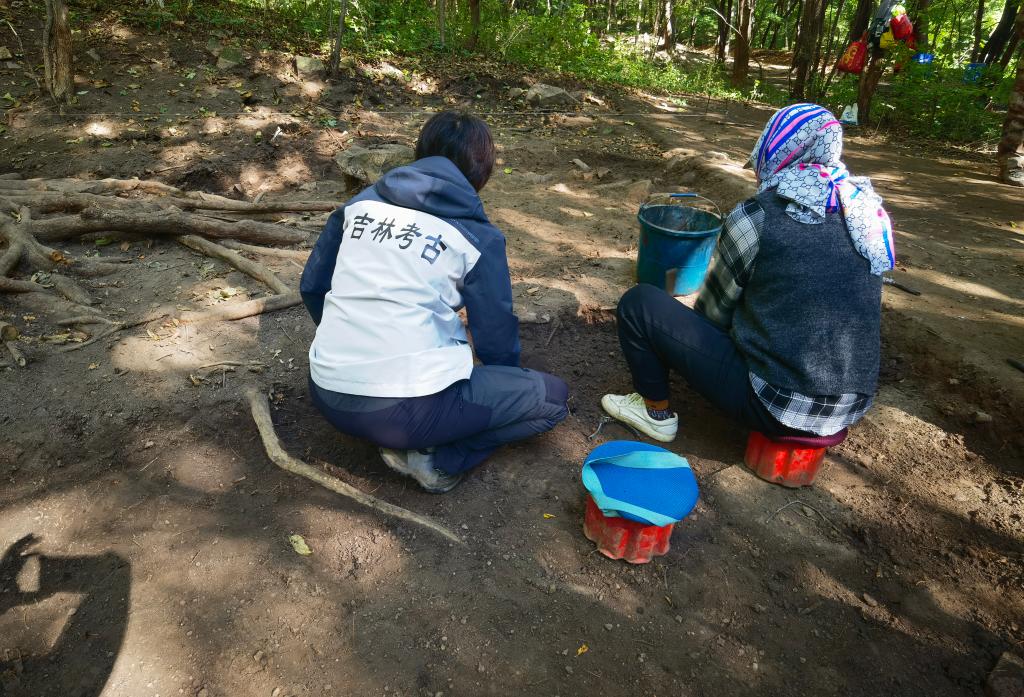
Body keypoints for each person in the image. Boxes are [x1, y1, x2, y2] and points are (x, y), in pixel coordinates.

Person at [300, 111, 569, 493]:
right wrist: (506, 381)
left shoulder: (359, 206)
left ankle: (410, 432)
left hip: (326, 390)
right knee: (552, 399)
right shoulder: (478, 237)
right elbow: (494, 338)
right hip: (403, 413)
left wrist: (349, 337)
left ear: (421, 152)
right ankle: (435, 458)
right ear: (482, 170)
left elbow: (313, 286)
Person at [602, 103, 894, 443]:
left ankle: (655, 414)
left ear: (774, 149)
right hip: (851, 406)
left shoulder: (758, 215)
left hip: (773, 403)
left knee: (639, 303)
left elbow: (713, 313)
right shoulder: (867, 211)